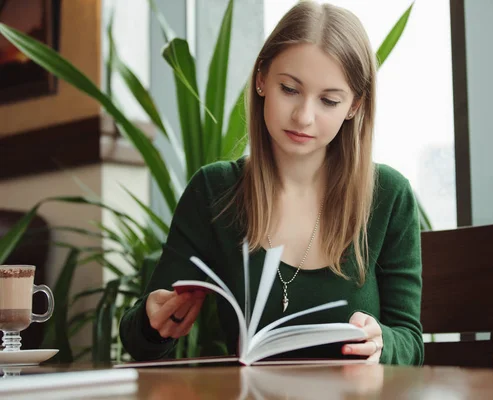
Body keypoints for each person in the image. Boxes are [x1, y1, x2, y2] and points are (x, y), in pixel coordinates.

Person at [119, 1, 423, 366]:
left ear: (354, 106)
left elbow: (410, 341)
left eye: (329, 100)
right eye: (290, 90)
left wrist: (381, 343)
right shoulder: (215, 191)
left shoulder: (388, 196)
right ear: (262, 78)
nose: (303, 116)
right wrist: (154, 323)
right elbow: (141, 340)